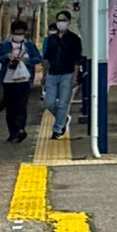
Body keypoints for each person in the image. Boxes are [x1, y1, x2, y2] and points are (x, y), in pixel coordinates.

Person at [0, 17, 38, 143]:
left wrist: (27, 60)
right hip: (8, 80)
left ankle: (20, 129)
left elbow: (38, 58)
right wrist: (6, 57)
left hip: (24, 80)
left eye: (21, 33)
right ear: (12, 32)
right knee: (10, 108)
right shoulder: (4, 45)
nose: (19, 36)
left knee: (21, 106)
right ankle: (12, 132)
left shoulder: (29, 45)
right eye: (17, 33)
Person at [41, 10, 87, 138]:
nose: (61, 23)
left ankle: (58, 129)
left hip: (68, 74)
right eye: (59, 20)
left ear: (68, 21)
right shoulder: (51, 39)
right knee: (49, 103)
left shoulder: (74, 39)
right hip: (52, 74)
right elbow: (46, 58)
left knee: (63, 104)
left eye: (64, 20)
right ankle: (63, 119)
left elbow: (77, 59)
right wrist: (44, 75)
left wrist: (75, 77)